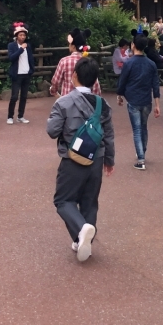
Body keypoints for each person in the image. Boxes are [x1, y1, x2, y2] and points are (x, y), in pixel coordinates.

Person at [47, 57, 115, 263]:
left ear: (74, 75)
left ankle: (81, 230)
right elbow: (109, 135)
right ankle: (84, 243)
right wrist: (109, 160)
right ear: (95, 81)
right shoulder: (103, 104)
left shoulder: (64, 102)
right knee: (89, 202)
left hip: (73, 158)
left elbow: (52, 131)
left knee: (63, 200)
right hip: (97, 157)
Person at [116, 35, 161, 171]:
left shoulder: (129, 63)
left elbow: (122, 81)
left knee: (136, 129)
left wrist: (119, 95)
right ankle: (142, 151)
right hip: (146, 100)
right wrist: (157, 104)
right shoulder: (151, 64)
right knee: (143, 127)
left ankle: (141, 159)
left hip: (133, 100)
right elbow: (156, 85)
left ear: (133, 45)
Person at [50, 28, 102, 98]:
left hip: (67, 103)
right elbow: (96, 87)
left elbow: (55, 81)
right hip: (86, 103)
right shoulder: (88, 63)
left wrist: (53, 90)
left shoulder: (64, 61)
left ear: (73, 46)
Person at [6, 22, 35, 124]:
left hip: (26, 73)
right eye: (20, 35)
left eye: (24, 35)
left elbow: (31, 59)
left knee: (24, 96)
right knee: (14, 96)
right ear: (16, 36)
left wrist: (32, 70)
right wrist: (21, 49)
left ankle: (20, 116)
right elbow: (11, 58)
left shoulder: (29, 46)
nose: (23, 37)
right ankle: (10, 117)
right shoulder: (11, 45)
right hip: (16, 74)